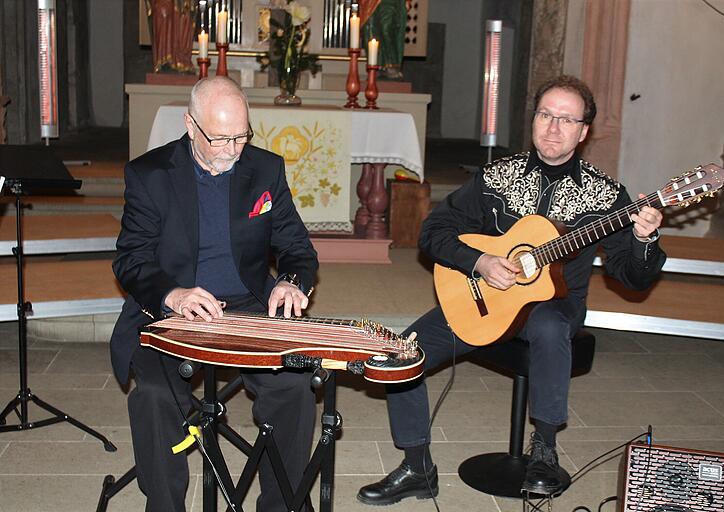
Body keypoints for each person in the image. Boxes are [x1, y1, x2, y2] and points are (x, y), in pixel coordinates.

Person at [357, 75, 666, 504]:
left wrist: (645, 239)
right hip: (487, 299)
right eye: (545, 115)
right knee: (400, 354)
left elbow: (633, 278)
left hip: (554, 308)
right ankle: (416, 467)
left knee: (548, 325)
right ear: (533, 119)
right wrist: (480, 261)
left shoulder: (608, 196)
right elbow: (434, 232)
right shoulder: (498, 176)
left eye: (565, 119)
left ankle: (544, 450)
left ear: (583, 130)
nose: (553, 127)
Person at [110, 76, 318, 512]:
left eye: (241, 136)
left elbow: (297, 249)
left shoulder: (265, 169)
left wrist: (290, 282)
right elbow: (131, 259)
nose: (233, 149)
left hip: (246, 304)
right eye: (220, 138)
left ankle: (281, 506)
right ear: (190, 125)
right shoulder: (150, 176)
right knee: (153, 398)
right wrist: (174, 294)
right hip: (170, 310)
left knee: (296, 389)